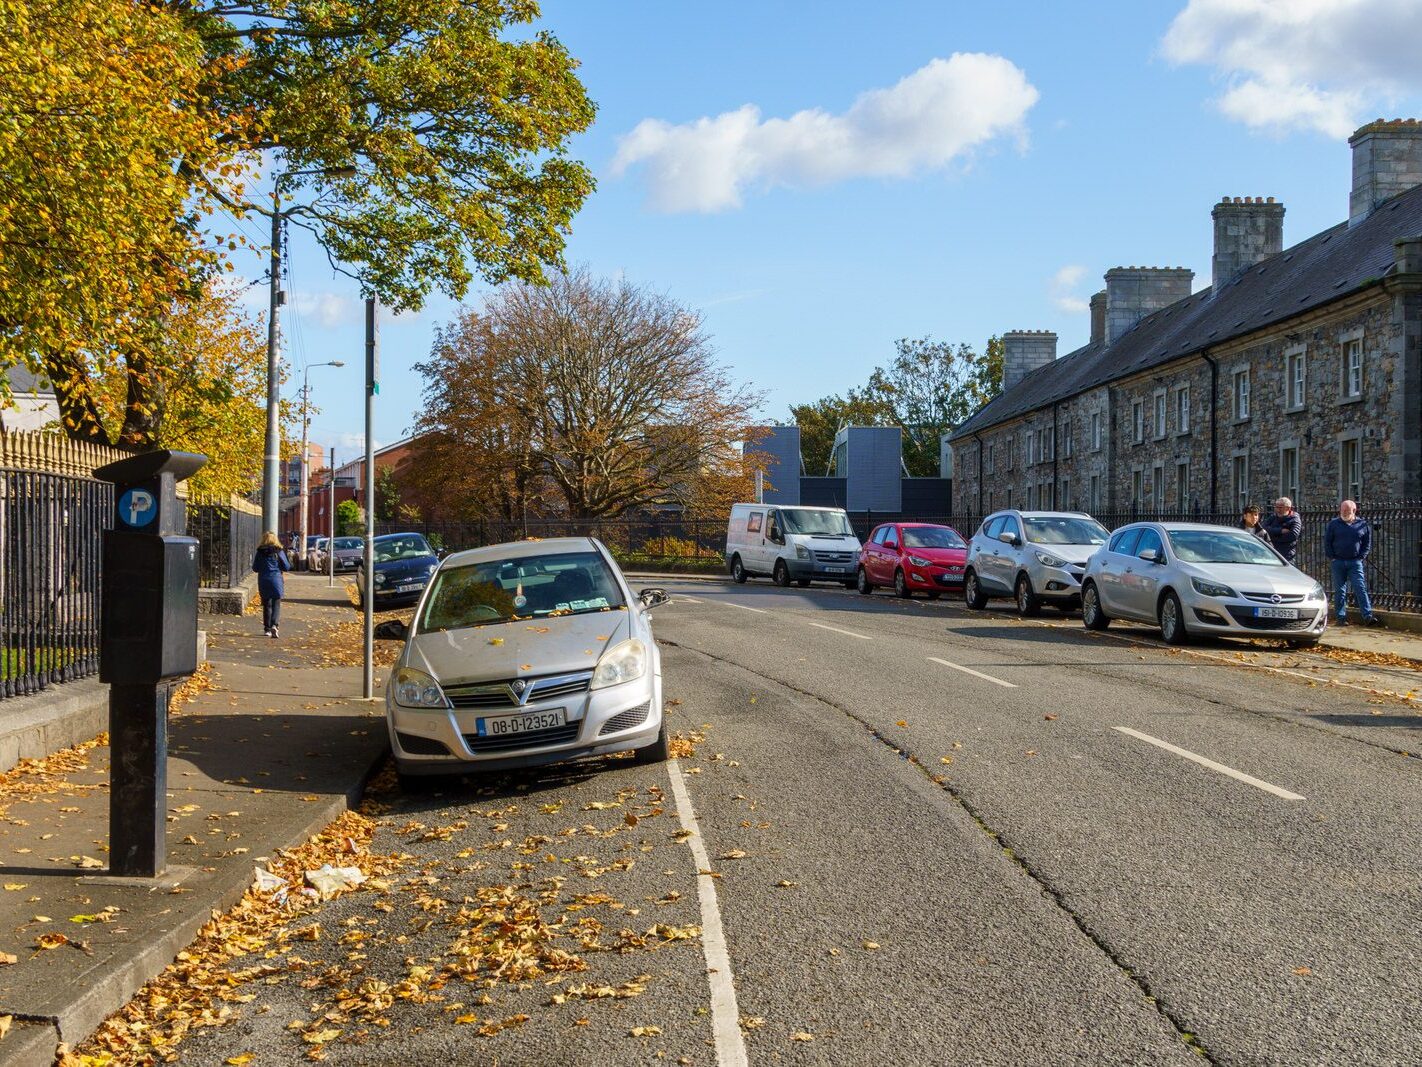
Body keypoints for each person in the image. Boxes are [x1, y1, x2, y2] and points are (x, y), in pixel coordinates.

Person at [1324, 500, 1382, 627]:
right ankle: (1341, 618)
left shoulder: (1362, 524)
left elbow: (1367, 543)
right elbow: (1327, 542)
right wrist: (1332, 557)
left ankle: (1368, 617)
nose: (1344, 513)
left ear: (1354, 511)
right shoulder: (1334, 524)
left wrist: (1361, 557)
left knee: (1360, 588)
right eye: (1342, 510)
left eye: (1347, 511)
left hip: (1355, 562)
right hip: (1338, 561)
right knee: (1340, 591)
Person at [252, 531, 291, 639]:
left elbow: (255, 568)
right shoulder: (279, 551)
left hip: (264, 580)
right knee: (276, 603)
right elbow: (287, 567)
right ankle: (275, 625)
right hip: (276, 580)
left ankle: (267, 629)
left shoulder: (260, 552)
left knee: (267, 604)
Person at [1262, 496, 1302, 563]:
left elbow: (1293, 535)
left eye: (1280, 507)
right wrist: (1280, 531)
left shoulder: (1294, 519)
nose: (1277, 510)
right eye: (1276, 507)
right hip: (1271, 553)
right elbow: (1263, 529)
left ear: (1288, 508)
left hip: (1287, 555)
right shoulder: (1273, 517)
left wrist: (1272, 538)